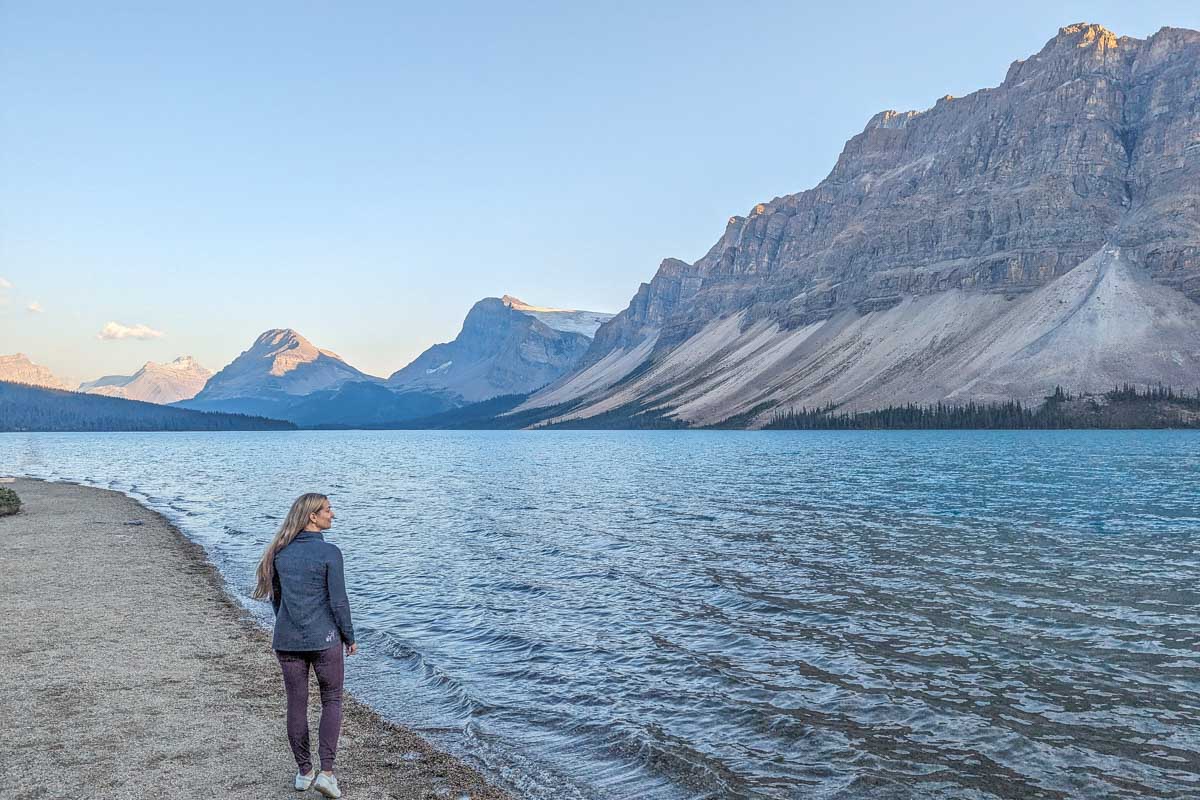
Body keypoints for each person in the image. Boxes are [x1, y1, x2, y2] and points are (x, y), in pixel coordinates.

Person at [252, 493, 357, 798]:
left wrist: (289, 624)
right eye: (328, 510)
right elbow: (338, 601)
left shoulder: (280, 552)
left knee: (296, 703)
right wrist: (349, 637)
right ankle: (326, 773)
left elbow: (277, 601)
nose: (332, 514)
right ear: (313, 516)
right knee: (332, 700)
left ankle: (303, 772)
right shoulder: (329, 552)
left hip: (287, 639)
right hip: (324, 640)